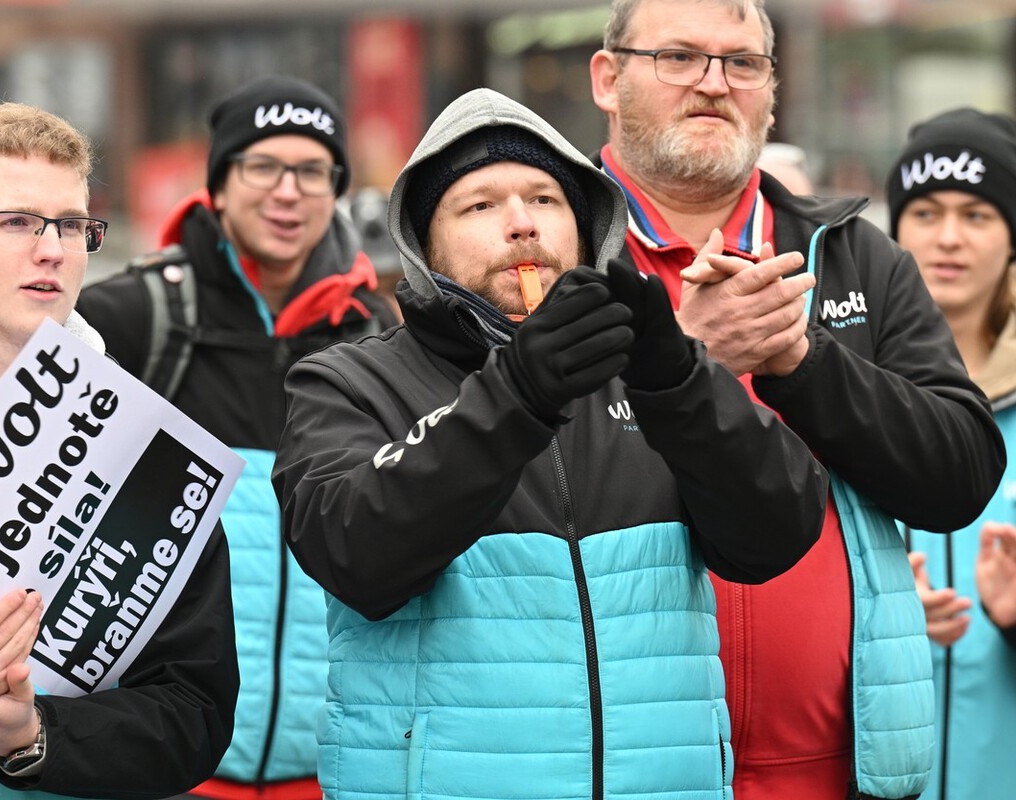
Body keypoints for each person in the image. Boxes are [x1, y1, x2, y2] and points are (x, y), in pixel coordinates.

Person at [272, 87, 828, 800]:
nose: (520, 225)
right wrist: (515, 397)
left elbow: (777, 534)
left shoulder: (649, 372)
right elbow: (354, 555)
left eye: (544, 199)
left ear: (586, 226)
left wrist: (683, 383)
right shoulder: (347, 380)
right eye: (478, 206)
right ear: (423, 243)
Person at [588, 1, 1006, 797]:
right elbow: (513, 463)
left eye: (742, 63)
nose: (714, 85)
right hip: (623, 770)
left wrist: (803, 363)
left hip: (837, 772)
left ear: (772, 92)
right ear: (609, 78)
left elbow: (961, 472)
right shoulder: (548, 245)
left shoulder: (855, 254)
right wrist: (686, 356)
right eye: (678, 57)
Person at [0, 102, 237, 797]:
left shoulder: (147, 451)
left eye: (74, 225)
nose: (52, 248)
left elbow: (194, 715)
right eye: (16, 221)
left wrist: (32, 736)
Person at [77, 76, 395, 800]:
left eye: (313, 171)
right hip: (168, 765)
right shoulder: (132, 321)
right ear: (218, 184)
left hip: (338, 771)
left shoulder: (377, 342)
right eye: (262, 166)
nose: (288, 191)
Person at [892, 107, 1016, 800]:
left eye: (978, 214)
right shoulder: (838, 394)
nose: (949, 237)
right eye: (926, 212)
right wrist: (881, 618)